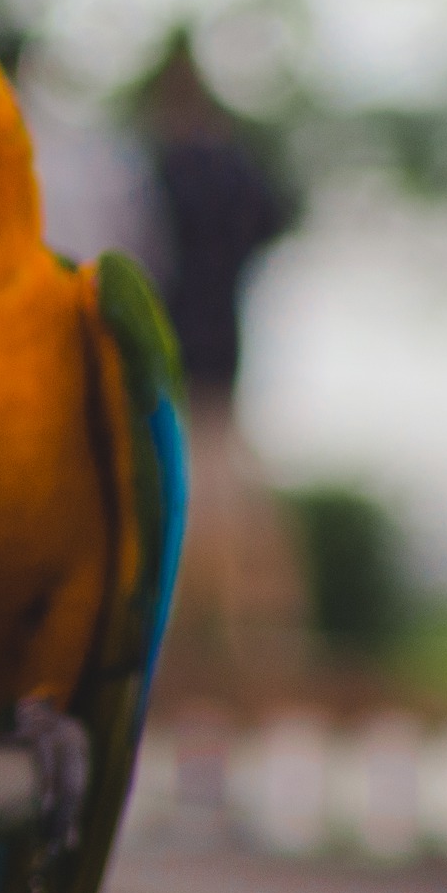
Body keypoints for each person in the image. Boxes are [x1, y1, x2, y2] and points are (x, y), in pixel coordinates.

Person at [143, 40, 305, 679]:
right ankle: (252, 628)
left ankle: (220, 632)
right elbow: (277, 217)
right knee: (231, 477)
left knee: (200, 483)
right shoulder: (236, 164)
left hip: (180, 338)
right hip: (223, 341)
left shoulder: (165, 167)